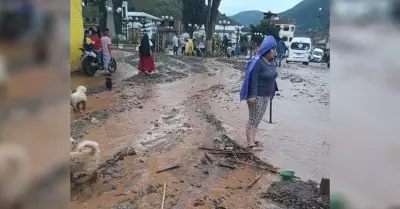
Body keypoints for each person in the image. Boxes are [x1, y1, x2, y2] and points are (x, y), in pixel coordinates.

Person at [240, 35, 278, 151]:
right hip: (256, 96)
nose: (274, 51)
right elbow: (253, 80)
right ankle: (250, 143)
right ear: (267, 50)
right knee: (253, 118)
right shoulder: (257, 62)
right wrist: (252, 95)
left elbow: (272, 77)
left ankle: (253, 139)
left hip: (266, 95)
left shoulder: (270, 63)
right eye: (273, 49)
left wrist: (272, 92)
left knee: (258, 118)